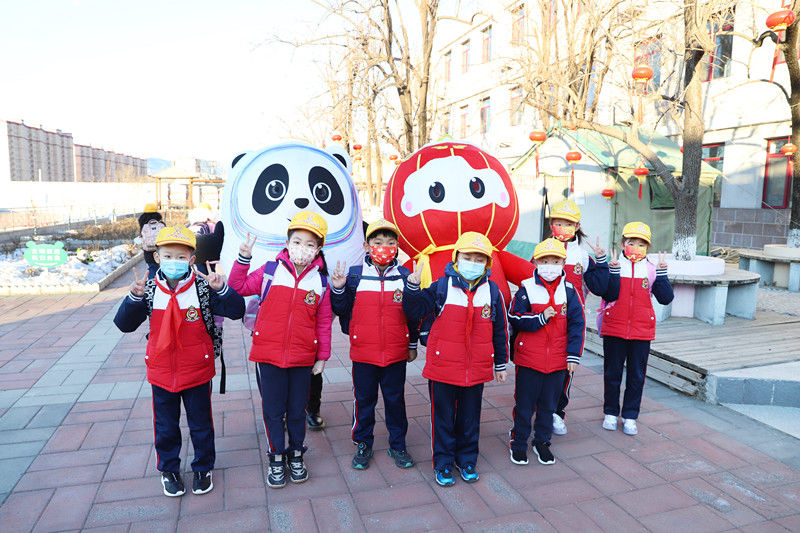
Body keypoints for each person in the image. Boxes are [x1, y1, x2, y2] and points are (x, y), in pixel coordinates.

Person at [113, 225, 245, 497]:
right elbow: (124, 325)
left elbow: (236, 311)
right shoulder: (149, 289)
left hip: (197, 370)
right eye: (168, 255)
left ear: (191, 260)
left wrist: (222, 290)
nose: (175, 261)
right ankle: (169, 469)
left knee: (201, 424)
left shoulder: (203, 288)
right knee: (165, 425)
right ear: (157, 257)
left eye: (181, 256)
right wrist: (134, 298)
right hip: (161, 371)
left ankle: (203, 466)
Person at [228, 210, 332, 489]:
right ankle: (276, 456)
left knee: (297, 410)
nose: (302, 249)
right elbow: (237, 286)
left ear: (319, 249)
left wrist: (322, 356)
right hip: (268, 355)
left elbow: (323, 322)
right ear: (287, 243)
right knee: (273, 411)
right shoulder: (270, 272)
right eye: (297, 241)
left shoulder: (321, 283)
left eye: (310, 244)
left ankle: (296, 454)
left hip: (302, 358)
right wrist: (243, 258)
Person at [403, 231, 509, 487]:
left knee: (470, 418)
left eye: (479, 258)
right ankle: (443, 462)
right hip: (443, 369)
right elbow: (414, 310)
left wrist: (501, 363)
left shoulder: (492, 291)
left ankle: (467, 460)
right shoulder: (441, 286)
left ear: (487, 263)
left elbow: (500, 329)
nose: (473, 262)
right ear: (456, 258)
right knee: (443, 418)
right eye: (467, 256)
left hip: (476, 368)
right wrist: (413, 288)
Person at [329, 219, 418, 470]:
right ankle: (363, 442)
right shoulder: (355, 275)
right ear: (367, 246)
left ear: (397, 247)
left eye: (390, 243)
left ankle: (398, 444)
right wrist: (338, 289)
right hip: (364, 352)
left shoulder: (404, 275)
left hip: (395, 353)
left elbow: (412, 315)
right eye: (378, 243)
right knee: (364, 400)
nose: (384, 247)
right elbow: (342, 308)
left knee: (395, 400)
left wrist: (412, 343)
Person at [508, 238, 585, 466]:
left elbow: (577, 324)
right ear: (535, 262)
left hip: (558, 362)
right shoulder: (526, 289)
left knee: (548, 407)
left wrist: (573, 355)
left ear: (563, 262)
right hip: (529, 360)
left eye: (555, 260)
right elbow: (515, 318)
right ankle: (519, 442)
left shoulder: (570, 292)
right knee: (524, 405)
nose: (550, 265)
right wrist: (539, 318)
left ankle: (542, 442)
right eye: (544, 261)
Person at [542, 199, 608, 436]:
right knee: (541, 367)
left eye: (568, 223)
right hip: (545, 320)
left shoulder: (581, 256)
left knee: (567, 367)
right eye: (558, 222)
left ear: (577, 226)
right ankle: (538, 408)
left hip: (571, 322)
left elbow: (600, 287)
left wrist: (601, 262)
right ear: (552, 224)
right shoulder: (542, 251)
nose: (563, 227)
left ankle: (557, 412)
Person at [600, 222, 673, 436]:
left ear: (648, 247)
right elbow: (608, 294)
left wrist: (662, 274)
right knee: (612, 373)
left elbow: (666, 298)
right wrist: (612, 271)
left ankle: (630, 416)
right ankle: (611, 413)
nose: (636, 248)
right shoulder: (614, 264)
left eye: (642, 244)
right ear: (623, 243)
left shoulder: (651, 269)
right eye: (632, 243)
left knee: (637, 375)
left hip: (641, 331)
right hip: (614, 328)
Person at [137, 203, 165, 279]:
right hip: (160, 249)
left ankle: (151, 284)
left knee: (152, 267)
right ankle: (162, 283)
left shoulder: (143, 224)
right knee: (162, 267)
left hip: (148, 251)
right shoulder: (160, 224)